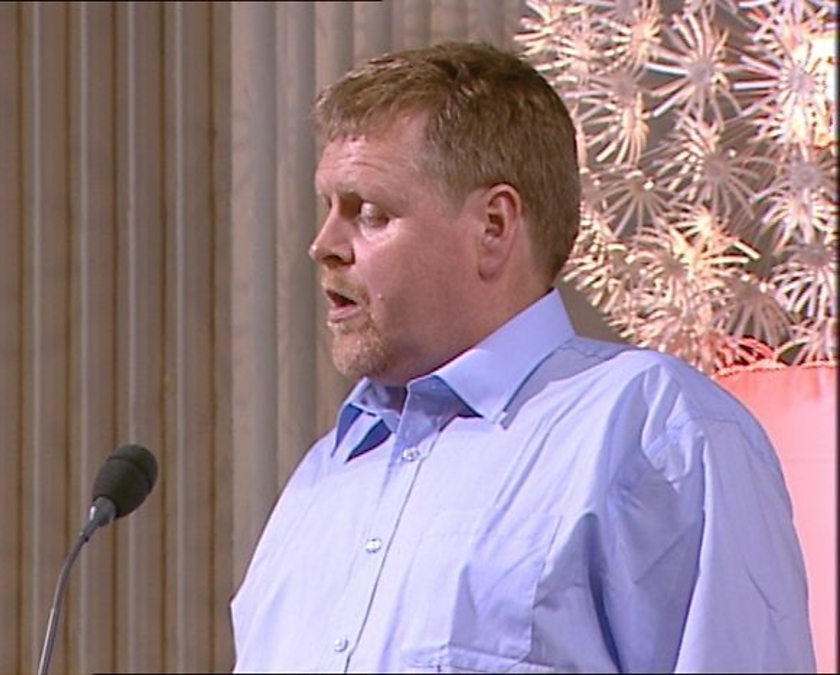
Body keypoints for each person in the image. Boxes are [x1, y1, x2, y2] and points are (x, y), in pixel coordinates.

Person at [230, 41, 816, 673]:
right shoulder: (322, 477)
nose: (323, 245)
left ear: (493, 226)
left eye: (369, 213)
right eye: (328, 209)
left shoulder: (650, 426)